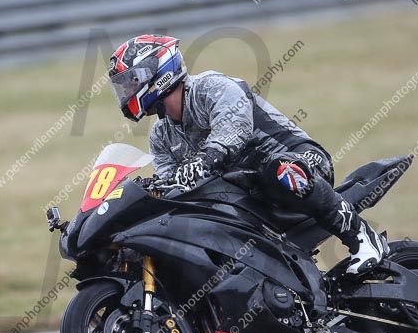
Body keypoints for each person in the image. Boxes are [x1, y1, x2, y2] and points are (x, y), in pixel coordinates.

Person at [108, 34, 388, 275]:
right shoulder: (160, 136)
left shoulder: (212, 87)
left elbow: (235, 130)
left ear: (158, 71)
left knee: (279, 169)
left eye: (131, 81)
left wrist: (204, 161)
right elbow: (173, 185)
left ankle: (361, 236)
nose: (126, 90)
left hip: (300, 161)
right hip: (247, 193)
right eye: (124, 85)